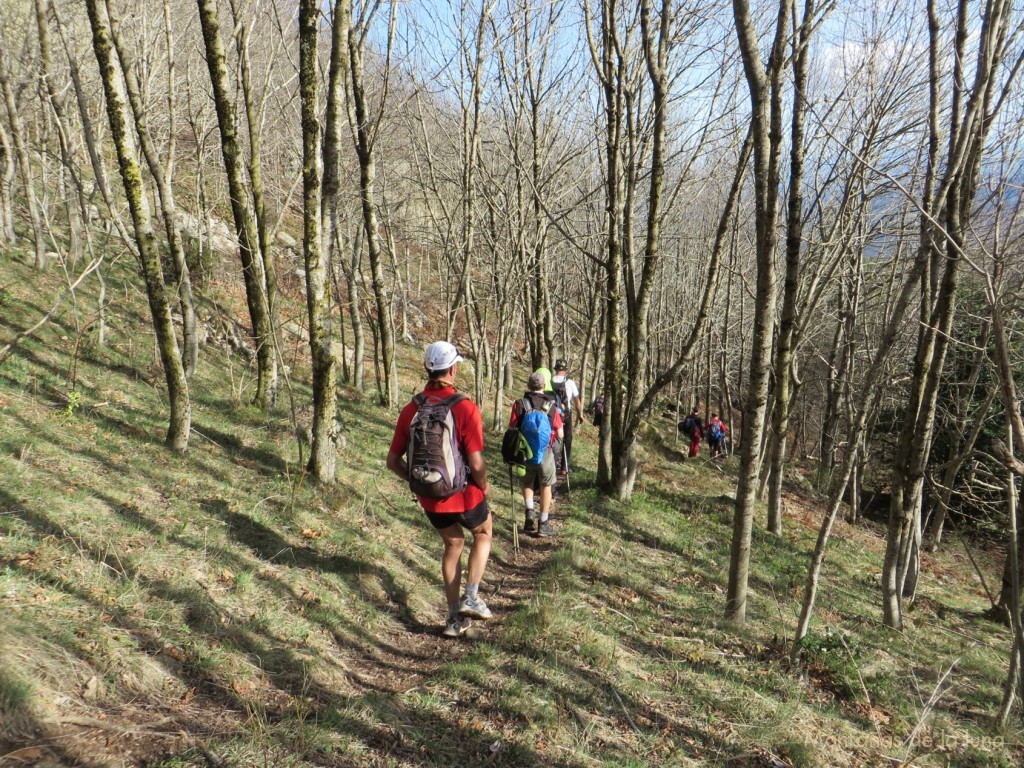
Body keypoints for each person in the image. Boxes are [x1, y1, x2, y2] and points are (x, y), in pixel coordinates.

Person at [387, 341, 494, 638]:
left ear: (427, 369)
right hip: (465, 494)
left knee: (453, 544)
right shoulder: (465, 407)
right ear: (453, 369)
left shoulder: (412, 408)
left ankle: (452, 619)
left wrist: (418, 483)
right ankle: (471, 596)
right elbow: (475, 460)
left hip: (430, 498)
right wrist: (484, 487)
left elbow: (392, 460)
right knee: (483, 532)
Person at [509, 371, 563, 537]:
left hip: (525, 452)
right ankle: (543, 523)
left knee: (527, 482)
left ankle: (529, 515)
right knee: (546, 485)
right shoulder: (551, 405)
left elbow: (512, 429)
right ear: (544, 386)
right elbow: (560, 433)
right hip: (545, 452)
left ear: (528, 386)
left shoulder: (519, 404)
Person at [551, 359, 585, 475]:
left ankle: (552, 462)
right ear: (565, 370)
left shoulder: (550, 381)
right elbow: (576, 400)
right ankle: (565, 467)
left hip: (552, 414)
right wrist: (580, 414)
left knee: (553, 437)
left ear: (556, 369)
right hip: (566, 414)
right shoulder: (570, 382)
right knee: (567, 439)